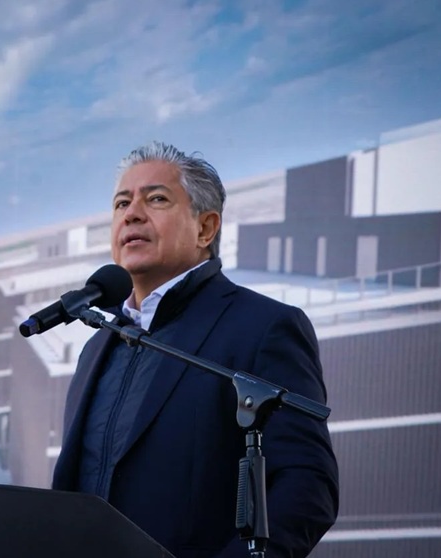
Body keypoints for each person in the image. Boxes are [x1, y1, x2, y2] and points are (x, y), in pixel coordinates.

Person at [52, 141, 339, 558]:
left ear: (205, 228)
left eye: (156, 199)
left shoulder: (262, 327)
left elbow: (307, 485)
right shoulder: (97, 344)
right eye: (121, 203)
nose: (131, 214)